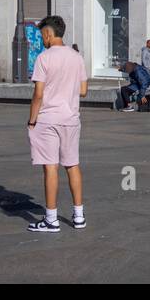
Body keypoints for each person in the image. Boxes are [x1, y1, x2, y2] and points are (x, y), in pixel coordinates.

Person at [26, 15, 88, 232]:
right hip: (71, 119)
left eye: (42, 34)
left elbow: (38, 94)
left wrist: (32, 121)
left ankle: (51, 219)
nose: (42, 38)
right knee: (72, 165)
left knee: (50, 167)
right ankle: (79, 216)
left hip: (48, 119)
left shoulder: (44, 58)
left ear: (48, 34)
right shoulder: (76, 57)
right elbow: (83, 90)